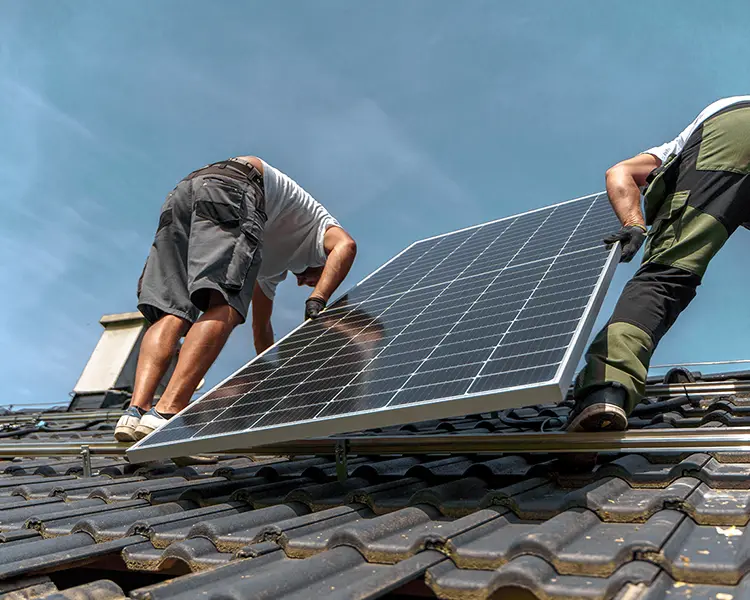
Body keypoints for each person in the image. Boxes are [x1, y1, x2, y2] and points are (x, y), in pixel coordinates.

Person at [114, 156, 357, 442]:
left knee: (174, 311)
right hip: (236, 188)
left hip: (187, 192)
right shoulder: (320, 228)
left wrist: (276, 379)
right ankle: (167, 412)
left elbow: (261, 331)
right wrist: (319, 298)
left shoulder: (269, 271)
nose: (304, 283)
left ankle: (134, 414)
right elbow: (346, 246)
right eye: (315, 279)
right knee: (224, 305)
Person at [567, 95, 750, 432]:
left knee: (665, 275)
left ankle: (606, 388)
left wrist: (634, 224)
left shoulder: (668, 153)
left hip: (730, 127)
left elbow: (618, 172)